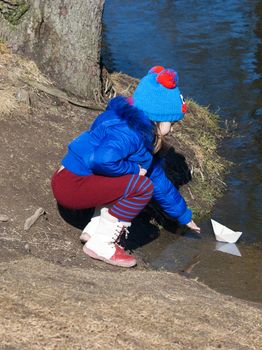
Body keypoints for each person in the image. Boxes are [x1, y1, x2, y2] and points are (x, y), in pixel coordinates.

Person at [51, 66, 200, 268]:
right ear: (156, 114)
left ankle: (94, 228)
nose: (173, 129)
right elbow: (101, 160)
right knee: (140, 186)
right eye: (171, 122)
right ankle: (102, 244)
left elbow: (158, 180)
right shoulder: (129, 134)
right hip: (72, 186)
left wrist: (184, 215)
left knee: (133, 179)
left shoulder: (140, 133)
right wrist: (133, 170)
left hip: (72, 180)